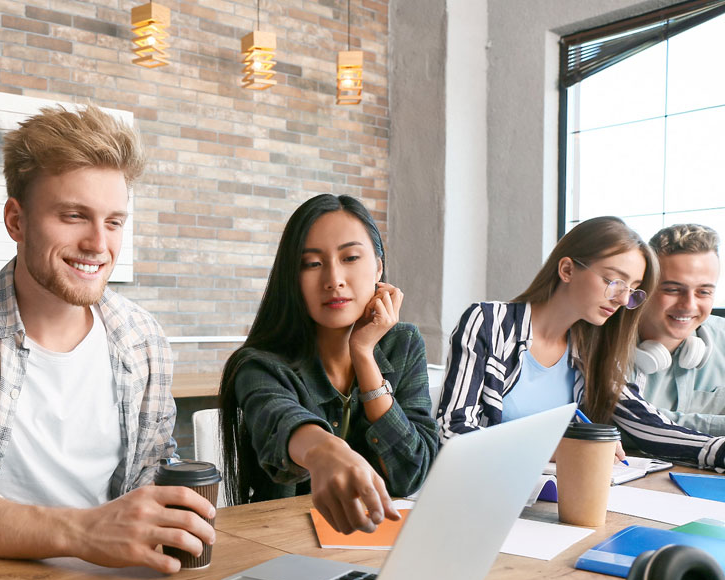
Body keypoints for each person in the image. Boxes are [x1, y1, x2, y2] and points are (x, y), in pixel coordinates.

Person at [0, 104, 213, 574]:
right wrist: (81, 533)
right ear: (16, 221)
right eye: (75, 216)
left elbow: (148, 478)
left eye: (114, 221)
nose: (99, 243)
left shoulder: (143, 339)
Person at [218, 194, 439, 535]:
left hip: (384, 544)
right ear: (292, 277)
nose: (333, 278)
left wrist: (363, 354)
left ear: (378, 266)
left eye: (350, 257)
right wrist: (325, 451)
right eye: (312, 263)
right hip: (284, 546)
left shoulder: (403, 344)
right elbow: (282, 421)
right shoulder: (259, 365)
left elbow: (411, 473)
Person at [436, 216, 725, 471]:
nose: (624, 300)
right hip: (482, 490)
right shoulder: (490, 322)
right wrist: (560, 448)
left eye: (633, 290)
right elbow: (453, 431)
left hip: (554, 496)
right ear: (567, 270)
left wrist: (718, 451)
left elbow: (647, 425)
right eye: (615, 282)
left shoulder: (592, 348)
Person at [634, 224, 725, 435]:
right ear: (644, 286)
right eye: (673, 290)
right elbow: (626, 425)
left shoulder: (722, 337)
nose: (689, 305)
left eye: (703, 292)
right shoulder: (608, 342)